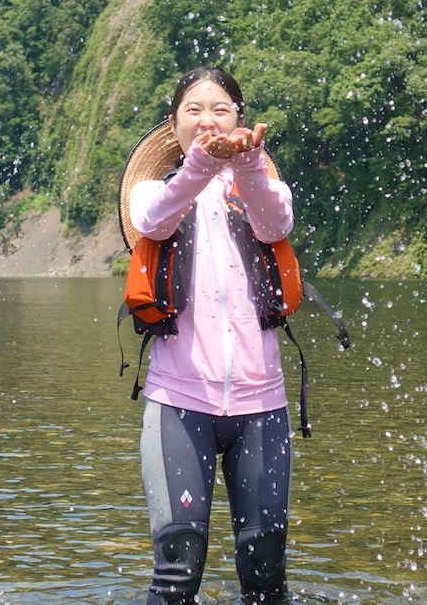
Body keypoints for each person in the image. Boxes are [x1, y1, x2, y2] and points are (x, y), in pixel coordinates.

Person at [123, 66, 295, 604]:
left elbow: (276, 224)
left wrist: (245, 164)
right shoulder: (154, 189)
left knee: (265, 570)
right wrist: (201, 163)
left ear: (239, 120)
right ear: (173, 126)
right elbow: (154, 222)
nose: (207, 119)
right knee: (178, 567)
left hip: (261, 404)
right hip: (179, 401)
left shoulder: (262, 186)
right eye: (193, 110)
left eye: (220, 109)